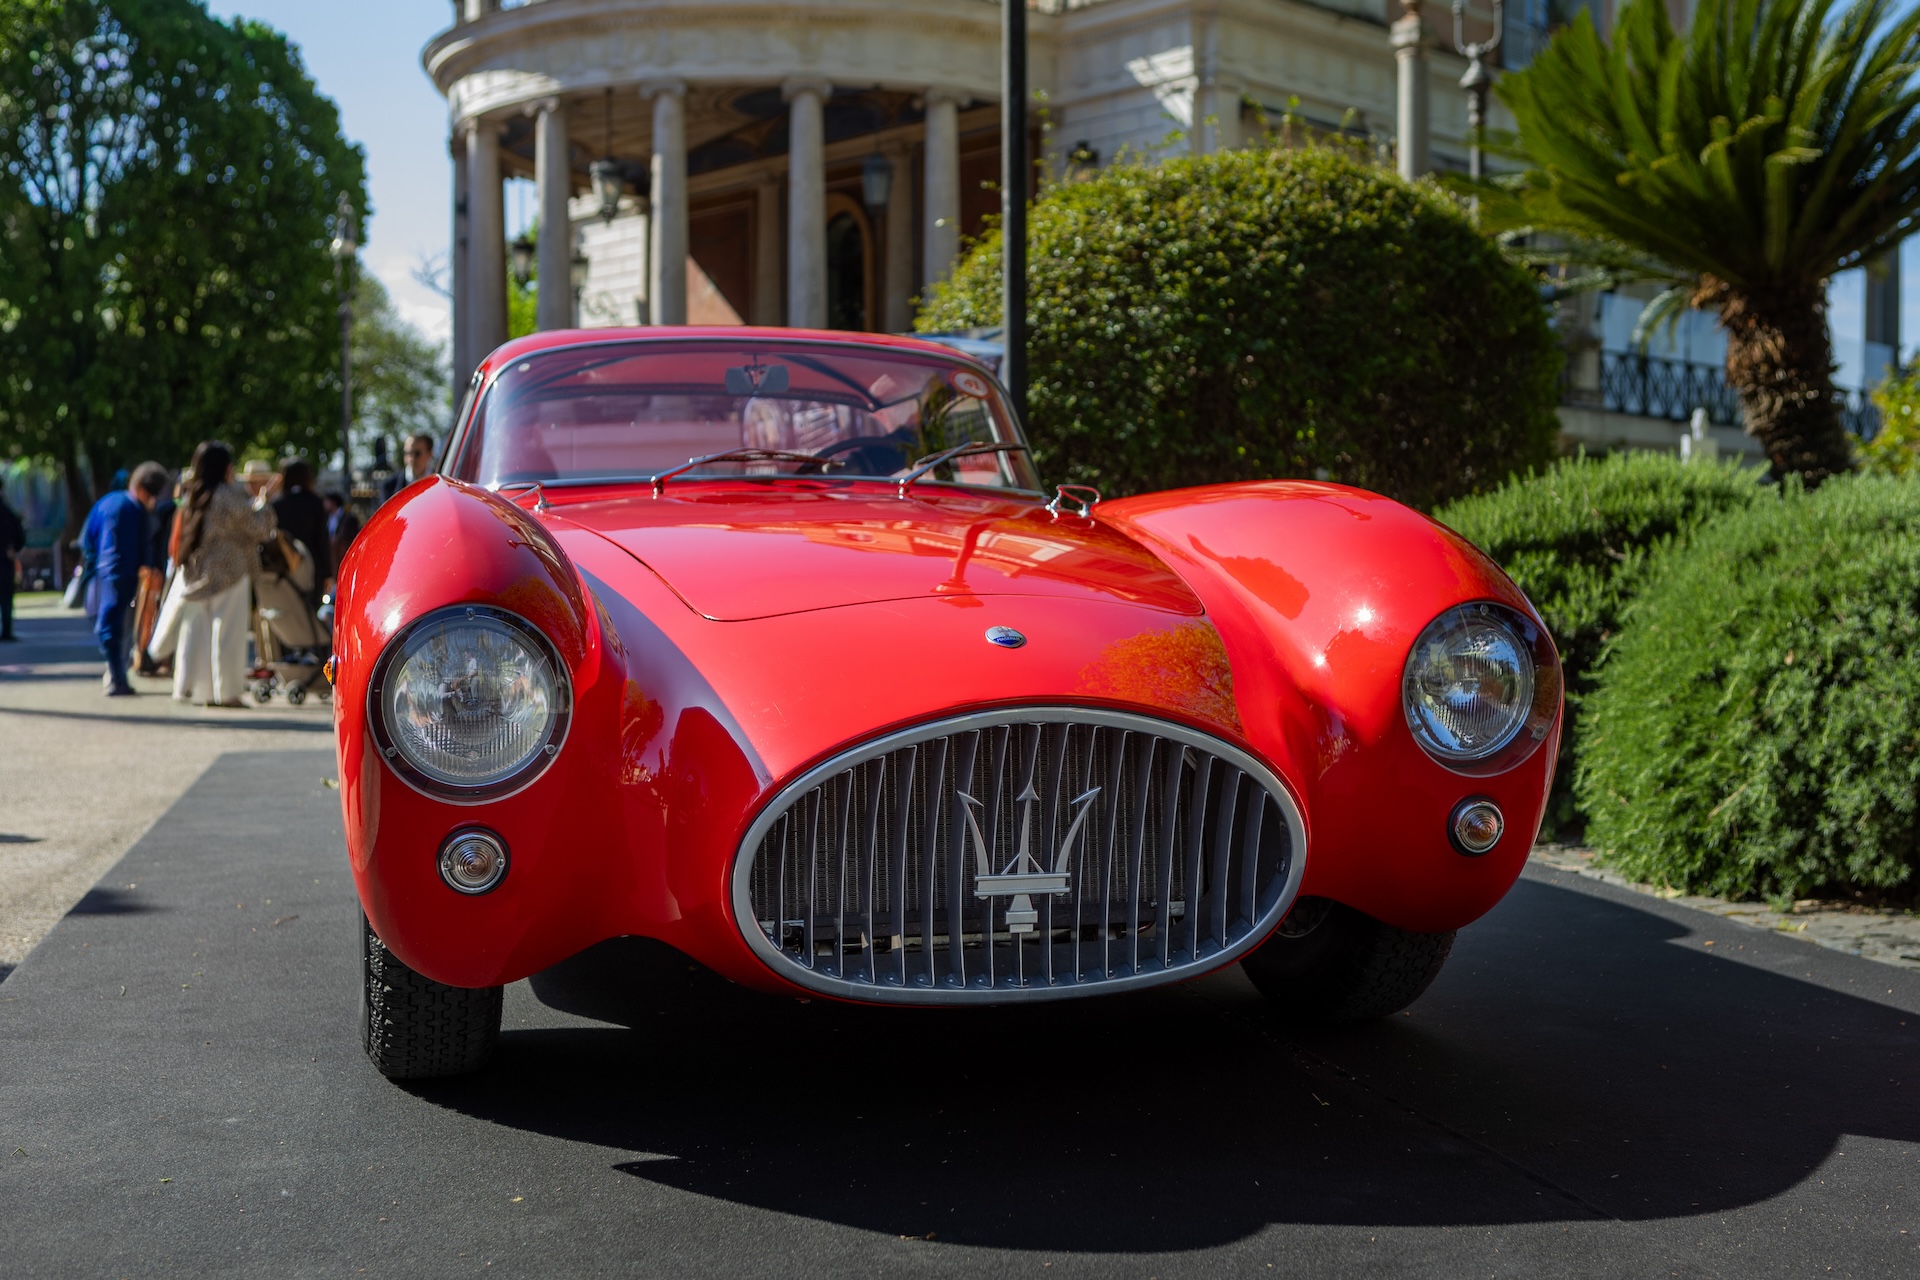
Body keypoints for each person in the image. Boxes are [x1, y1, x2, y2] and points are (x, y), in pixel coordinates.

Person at [169, 442, 275, 707]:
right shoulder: (227, 496)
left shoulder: (192, 496)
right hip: (230, 571)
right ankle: (226, 693)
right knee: (228, 634)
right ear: (226, 468)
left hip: (197, 572)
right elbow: (259, 528)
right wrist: (264, 502)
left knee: (199, 634)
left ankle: (197, 690)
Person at [78, 463, 168, 695]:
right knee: (120, 627)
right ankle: (118, 675)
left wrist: (92, 563)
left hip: (104, 574)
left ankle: (115, 672)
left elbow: (87, 538)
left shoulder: (107, 503)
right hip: (128, 577)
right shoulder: (137, 511)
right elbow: (146, 546)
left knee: (110, 624)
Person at [270, 458, 333, 610]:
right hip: (313, 568)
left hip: (287, 569)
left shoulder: (277, 504)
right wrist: (328, 573)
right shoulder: (315, 502)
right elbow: (322, 540)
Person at [379, 433, 436, 504]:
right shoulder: (388, 487)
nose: (411, 458)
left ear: (429, 454)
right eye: (407, 453)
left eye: (417, 453)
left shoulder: (439, 484)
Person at [0, 490, 25, 642]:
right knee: (6, 598)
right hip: (4, 559)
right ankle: (7, 630)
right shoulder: (8, 513)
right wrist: (13, 548)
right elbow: (20, 535)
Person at [323, 491, 361, 572]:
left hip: (345, 559)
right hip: (333, 561)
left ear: (333, 502)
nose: (324, 504)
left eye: (326, 501)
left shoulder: (349, 518)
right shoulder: (327, 518)